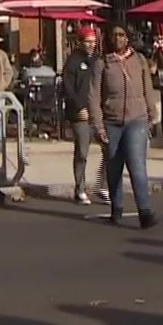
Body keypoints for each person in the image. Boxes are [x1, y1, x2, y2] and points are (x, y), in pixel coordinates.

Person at [88, 26, 159, 229]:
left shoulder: (139, 61)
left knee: (137, 167)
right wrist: (98, 126)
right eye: (114, 35)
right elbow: (94, 96)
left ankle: (144, 211)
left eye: (120, 35)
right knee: (113, 167)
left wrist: (152, 115)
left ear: (127, 38)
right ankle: (116, 208)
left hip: (136, 120)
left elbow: (148, 88)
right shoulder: (102, 63)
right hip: (111, 122)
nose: (117, 39)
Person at [63, 27, 104, 205]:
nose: (91, 45)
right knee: (82, 151)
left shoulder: (98, 61)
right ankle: (79, 188)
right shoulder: (73, 62)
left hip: (99, 112)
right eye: (88, 41)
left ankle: (103, 186)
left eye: (93, 41)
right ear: (80, 42)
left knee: (110, 150)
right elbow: (68, 88)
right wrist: (79, 107)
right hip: (79, 113)